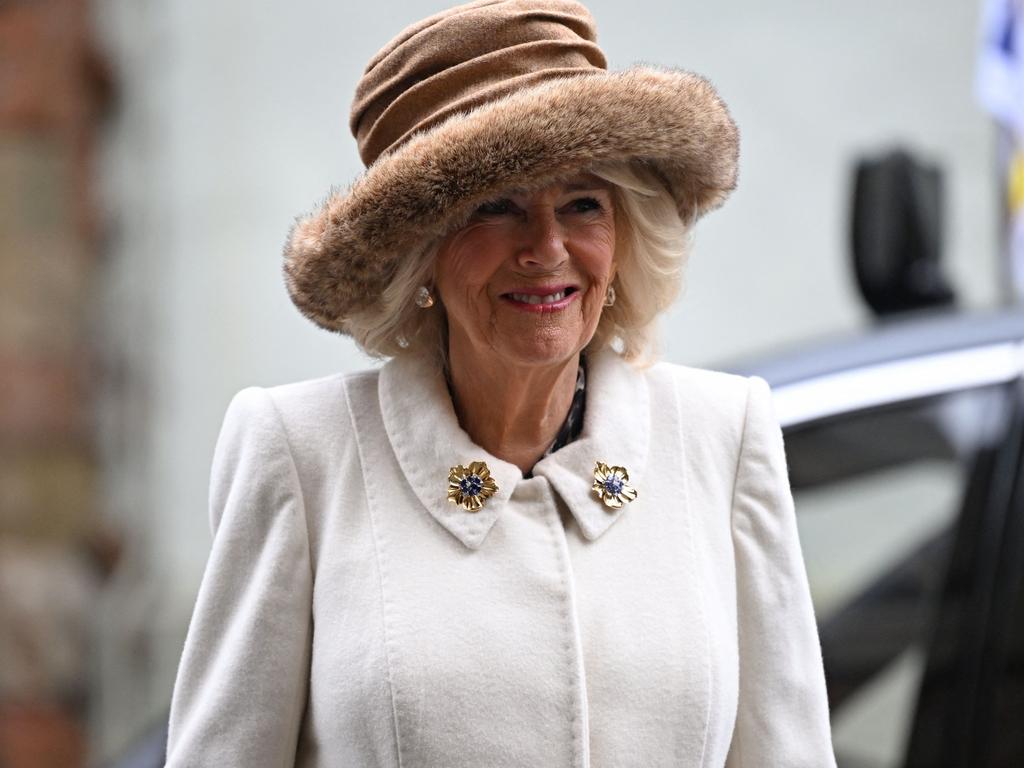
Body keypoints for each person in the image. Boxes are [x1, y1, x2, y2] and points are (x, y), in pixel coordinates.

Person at [165, 1, 837, 766]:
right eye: (495, 208)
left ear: (622, 238)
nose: (546, 248)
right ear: (418, 257)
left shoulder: (724, 434)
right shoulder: (300, 455)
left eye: (582, 203)